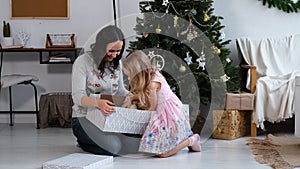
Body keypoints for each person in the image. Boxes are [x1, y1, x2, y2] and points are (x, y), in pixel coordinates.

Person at [71, 25, 140, 156]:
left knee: (133, 146)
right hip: (84, 119)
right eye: (111, 51)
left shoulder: (116, 63)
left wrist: (133, 97)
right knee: (113, 148)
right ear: (101, 47)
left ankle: (109, 139)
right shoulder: (83, 62)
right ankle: (83, 140)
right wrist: (98, 103)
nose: (115, 55)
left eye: (118, 51)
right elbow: (78, 97)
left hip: (109, 118)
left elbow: (120, 90)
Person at [121, 50, 201, 158]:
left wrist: (139, 114)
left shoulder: (152, 84)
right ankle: (183, 140)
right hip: (164, 108)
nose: (129, 78)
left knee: (162, 153)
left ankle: (192, 140)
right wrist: (131, 100)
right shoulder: (151, 74)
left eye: (130, 75)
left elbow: (151, 107)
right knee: (157, 147)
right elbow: (146, 96)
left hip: (169, 112)